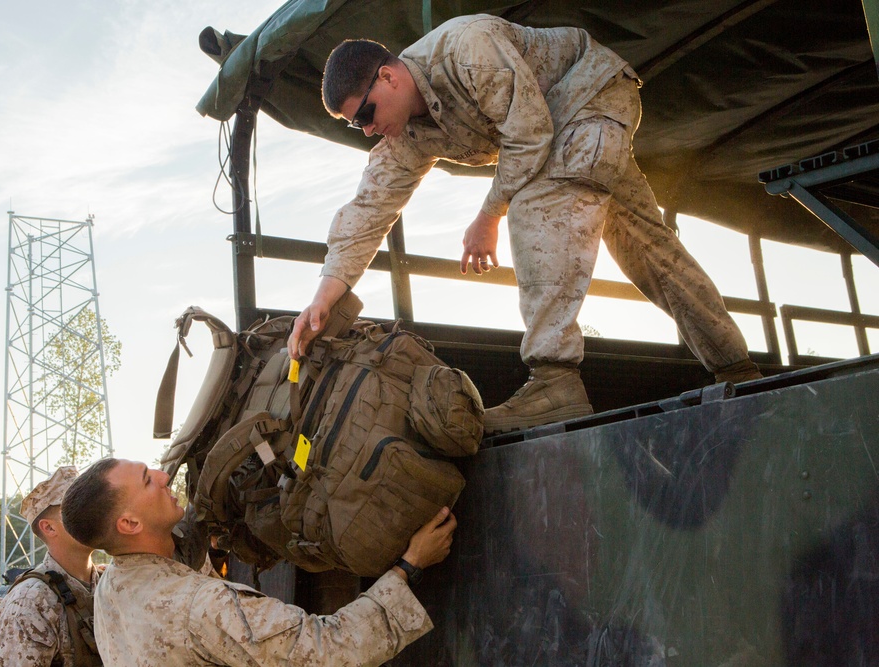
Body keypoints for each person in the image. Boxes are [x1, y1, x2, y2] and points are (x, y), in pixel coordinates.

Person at [286, 14, 762, 434]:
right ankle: (736, 367)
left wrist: (488, 214)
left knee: (537, 202)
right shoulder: (405, 133)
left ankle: (555, 381)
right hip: (558, 131)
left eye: (364, 114)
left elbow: (530, 135)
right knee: (646, 247)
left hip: (589, 95)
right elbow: (369, 210)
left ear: (388, 77)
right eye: (356, 126)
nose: (367, 129)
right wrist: (323, 299)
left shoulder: (467, 48)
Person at [61, 458, 457, 666]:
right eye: (148, 479)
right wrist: (409, 567)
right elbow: (329, 649)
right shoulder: (200, 606)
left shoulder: (111, 585)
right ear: (129, 523)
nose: (164, 477)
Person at [0, 466, 102, 666]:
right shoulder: (30, 601)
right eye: (78, 508)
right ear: (49, 527)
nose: (95, 514)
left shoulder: (106, 582)